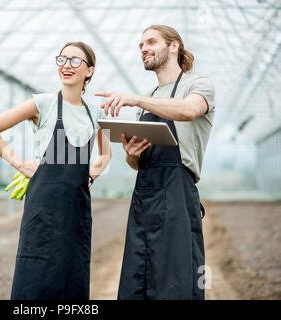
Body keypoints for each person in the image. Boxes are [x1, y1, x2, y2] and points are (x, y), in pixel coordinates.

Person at [0, 41, 111, 300]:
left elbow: (106, 154)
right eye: (62, 59)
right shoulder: (43, 104)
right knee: (36, 273)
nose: (66, 65)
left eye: (75, 61)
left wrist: (92, 174)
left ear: (90, 71)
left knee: (72, 274)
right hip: (43, 207)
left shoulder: (95, 114)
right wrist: (18, 162)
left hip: (77, 208)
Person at [96, 25, 215, 299]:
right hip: (144, 197)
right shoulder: (148, 98)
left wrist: (135, 98)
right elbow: (136, 164)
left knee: (175, 278)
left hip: (177, 194)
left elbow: (188, 111)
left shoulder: (197, 85)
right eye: (140, 45)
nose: (143, 49)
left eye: (151, 42)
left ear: (174, 46)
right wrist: (132, 154)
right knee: (138, 275)